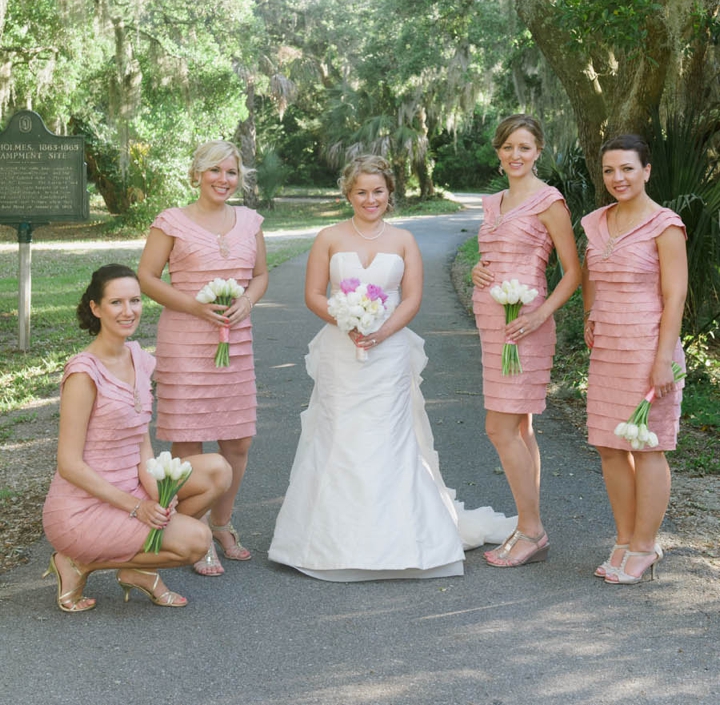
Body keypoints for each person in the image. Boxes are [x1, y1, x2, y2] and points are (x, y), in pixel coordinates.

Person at [268, 154, 516, 581]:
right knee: (339, 433)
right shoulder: (328, 237)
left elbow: (413, 298)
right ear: (348, 192)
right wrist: (345, 321)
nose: (370, 199)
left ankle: (403, 540)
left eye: (378, 191)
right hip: (341, 349)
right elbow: (312, 294)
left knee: (391, 437)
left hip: (389, 351)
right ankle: (329, 543)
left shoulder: (404, 240)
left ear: (389, 193)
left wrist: (380, 333)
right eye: (362, 191)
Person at [42, 265, 231, 613]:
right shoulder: (84, 374)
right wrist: (137, 507)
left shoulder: (138, 358)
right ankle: (78, 562)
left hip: (132, 486)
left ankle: (140, 566)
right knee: (197, 540)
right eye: (116, 302)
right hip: (83, 508)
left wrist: (159, 494)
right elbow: (68, 465)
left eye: (135, 300)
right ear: (95, 308)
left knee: (218, 470)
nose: (128, 311)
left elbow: (141, 441)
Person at [137, 140, 269, 576]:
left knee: (238, 440)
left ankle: (223, 523)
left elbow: (261, 274)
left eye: (231, 172)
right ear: (197, 174)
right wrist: (192, 305)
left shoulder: (250, 222)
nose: (223, 180)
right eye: (214, 171)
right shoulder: (171, 221)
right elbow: (146, 277)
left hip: (237, 340)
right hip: (186, 340)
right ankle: (190, 532)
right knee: (188, 440)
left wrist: (248, 300)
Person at [471, 114, 581, 568]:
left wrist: (540, 313)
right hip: (491, 321)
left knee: (499, 427)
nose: (515, 155)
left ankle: (532, 531)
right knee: (519, 428)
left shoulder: (549, 201)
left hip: (527, 328)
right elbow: (493, 254)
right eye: (507, 147)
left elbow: (573, 272)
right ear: (498, 152)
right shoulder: (493, 202)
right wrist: (478, 270)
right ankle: (527, 526)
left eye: (524, 147)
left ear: (539, 152)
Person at [582, 133, 687, 584]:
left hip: (648, 346)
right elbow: (590, 274)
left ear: (646, 171)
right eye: (609, 170)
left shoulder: (665, 225)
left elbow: (675, 292)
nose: (617, 178)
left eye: (627, 168)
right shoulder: (595, 222)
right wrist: (589, 312)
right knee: (609, 445)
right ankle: (624, 539)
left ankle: (645, 546)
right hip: (608, 348)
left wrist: (664, 358)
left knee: (647, 447)